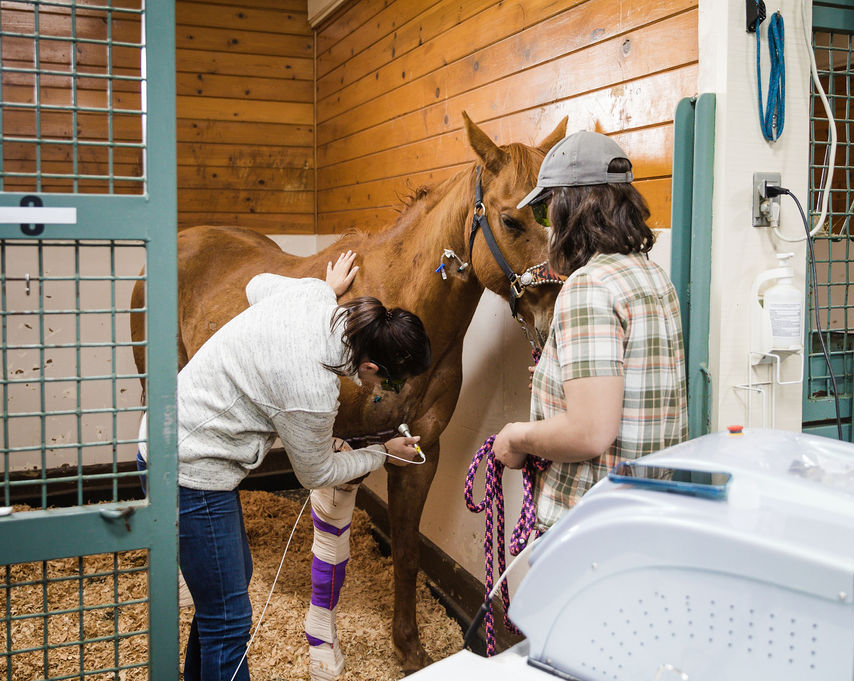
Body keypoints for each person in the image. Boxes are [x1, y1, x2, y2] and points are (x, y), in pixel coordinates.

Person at [138, 251, 431, 681]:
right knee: (230, 620)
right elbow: (316, 474)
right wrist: (385, 451)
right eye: (386, 382)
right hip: (185, 466)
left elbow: (255, 284)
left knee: (230, 589)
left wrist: (321, 289)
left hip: (170, 435)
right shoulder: (312, 391)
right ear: (369, 366)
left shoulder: (314, 296)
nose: (382, 390)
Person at [492, 130, 688, 532]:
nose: (547, 228)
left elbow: (590, 432)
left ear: (573, 209)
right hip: (644, 513)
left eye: (547, 213)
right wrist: (555, 378)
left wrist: (516, 437)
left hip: (587, 523)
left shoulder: (589, 286)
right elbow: (630, 383)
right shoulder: (652, 277)